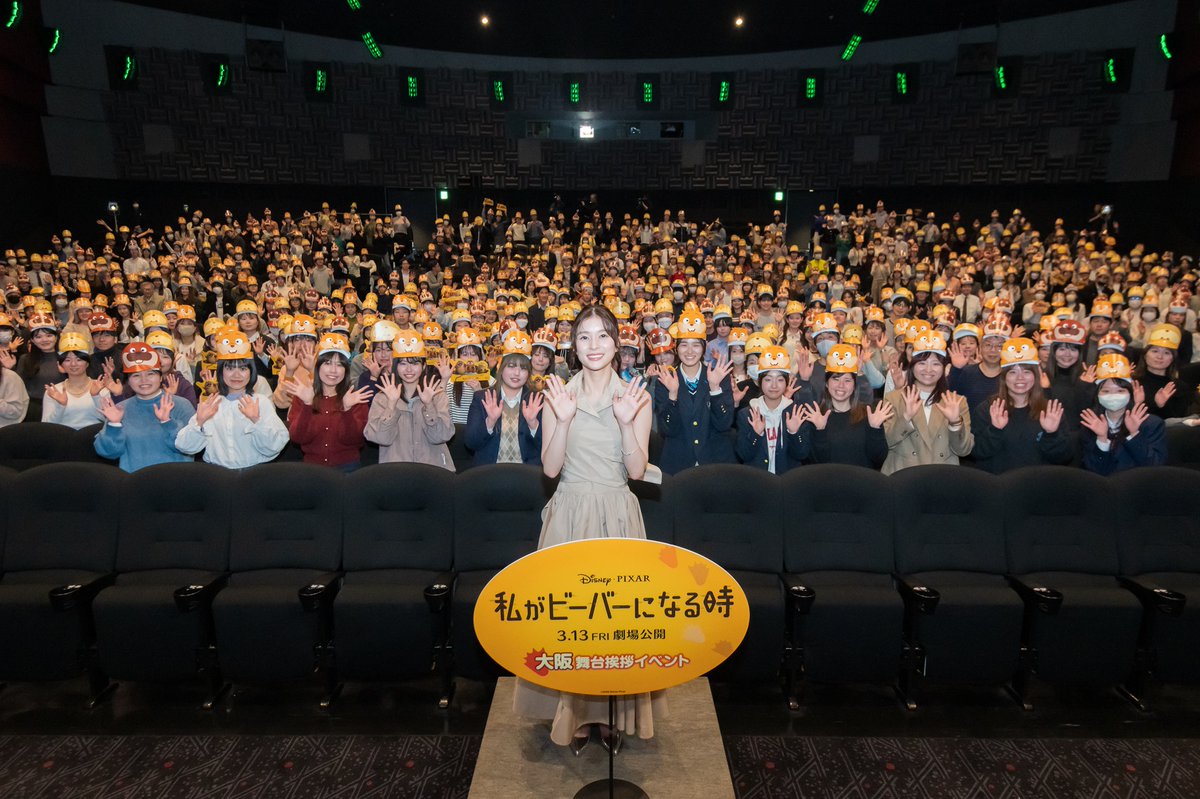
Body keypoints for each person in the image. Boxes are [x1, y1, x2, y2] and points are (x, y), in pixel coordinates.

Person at [513, 305, 659, 755]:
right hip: (570, 513)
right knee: (568, 620)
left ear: (618, 343)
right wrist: (562, 417)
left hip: (617, 512)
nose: (594, 346)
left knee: (616, 622)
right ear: (573, 347)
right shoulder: (560, 391)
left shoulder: (636, 395)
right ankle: (571, 715)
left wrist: (623, 421)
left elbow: (637, 470)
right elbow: (551, 467)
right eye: (584, 338)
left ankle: (612, 715)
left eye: (602, 336)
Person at [175, 330, 289, 468]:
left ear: (251, 371)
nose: (236, 375)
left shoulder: (260, 402)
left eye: (242, 368)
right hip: (217, 476)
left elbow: (275, 446)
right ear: (221, 371)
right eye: (229, 368)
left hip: (254, 474)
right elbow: (185, 446)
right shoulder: (211, 403)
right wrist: (199, 423)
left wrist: (256, 421)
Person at [969, 337, 1073, 473]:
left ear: (1035, 376)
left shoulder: (1050, 410)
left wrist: (1051, 434)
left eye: (1026, 371)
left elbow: (1064, 458)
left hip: (1038, 486)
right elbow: (976, 452)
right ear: (1004, 378)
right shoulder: (988, 408)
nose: (1020, 378)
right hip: (998, 486)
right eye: (1012, 372)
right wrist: (995, 430)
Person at [653, 309, 736, 474]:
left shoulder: (718, 376)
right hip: (678, 465)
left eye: (696, 345)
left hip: (715, 462)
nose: (689, 351)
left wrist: (715, 389)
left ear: (704, 348)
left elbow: (724, 423)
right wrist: (673, 395)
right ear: (676, 348)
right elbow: (667, 429)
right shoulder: (666, 379)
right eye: (684, 344)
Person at [93, 343, 195, 472]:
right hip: (134, 482)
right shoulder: (119, 409)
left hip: (175, 480)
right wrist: (114, 425)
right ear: (128, 381)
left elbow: (189, 446)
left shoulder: (181, 405)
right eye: (136, 375)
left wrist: (168, 423)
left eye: (150, 374)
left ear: (160, 377)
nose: (143, 380)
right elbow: (108, 452)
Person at [881, 331, 973, 474]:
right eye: (922, 363)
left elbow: (964, 450)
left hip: (942, 477)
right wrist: (905, 417)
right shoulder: (894, 398)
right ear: (912, 365)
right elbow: (886, 443)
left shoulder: (957, 402)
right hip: (902, 477)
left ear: (944, 368)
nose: (928, 370)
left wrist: (955, 423)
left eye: (936, 364)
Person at [364, 329, 454, 469]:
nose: (409, 369)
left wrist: (429, 405)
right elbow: (380, 438)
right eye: (403, 363)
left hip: (434, 470)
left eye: (414, 363)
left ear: (423, 366)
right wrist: (391, 406)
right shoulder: (383, 397)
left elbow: (442, 436)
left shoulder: (437, 395)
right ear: (395, 366)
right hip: (396, 472)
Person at [285, 332, 372, 471]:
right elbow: (297, 438)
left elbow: (357, 441)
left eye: (339, 365)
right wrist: (307, 405)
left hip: (348, 469)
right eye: (327, 363)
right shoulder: (304, 395)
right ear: (317, 366)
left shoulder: (355, 398)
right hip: (312, 469)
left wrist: (347, 410)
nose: (333, 370)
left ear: (346, 370)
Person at [805, 344, 892, 469]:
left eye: (847, 380)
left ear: (854, 386)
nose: (841, 385)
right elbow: (816, 462)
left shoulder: (868, 414)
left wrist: (875, 429)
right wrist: (820, 431)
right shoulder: (817, 416)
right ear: (827, 384)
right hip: (828, 484)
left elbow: (879, 458)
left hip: (861, 484)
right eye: (835, 379)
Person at [464, 329, 544, 466]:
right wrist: (490, 422)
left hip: (528, 476)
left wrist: (534, 425)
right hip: (490, 474)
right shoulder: (482, 397)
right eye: (511, 366)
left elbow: (547, 447)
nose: (517, 373)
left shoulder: (537, 399)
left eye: (523, 368)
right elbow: (471, 443)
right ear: (501, 368)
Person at [1080, 353, 1167, 474]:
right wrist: (1102, 439)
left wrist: (1134, 434)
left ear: (1130, 393)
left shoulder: (1151, 423)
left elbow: (1156, 465)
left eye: (1120, 390)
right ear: (1097, 395)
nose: (1113, 395)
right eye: (1106, 391)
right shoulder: (1091, 424)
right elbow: (1092, 470)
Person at [735, 345, 812, 473]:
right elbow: (743, 455)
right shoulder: (747, 413)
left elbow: (802, 454)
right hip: (758, 480)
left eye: (780, 380)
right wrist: (755, 434)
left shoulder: (795, 413)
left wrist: (794, 433)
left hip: (787, 481)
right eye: (768, 379)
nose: (774, 385)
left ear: (787, 383)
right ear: (760, 382)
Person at [41, 331, 106, 429]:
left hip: (93, 438)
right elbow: (46, 426)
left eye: (79, 359)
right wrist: (61, 406)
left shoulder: (100, 387)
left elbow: (108, 419)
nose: (73, 364)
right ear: (61, 365)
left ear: (87, 363)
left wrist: (96, 396)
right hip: (63, 439)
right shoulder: (54, 391)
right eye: (67, 360)